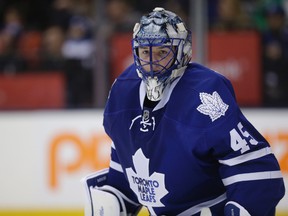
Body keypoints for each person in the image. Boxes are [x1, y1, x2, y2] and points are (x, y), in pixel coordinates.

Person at [82, 7, 285, 216]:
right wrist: (117, 199)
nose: (152, 62)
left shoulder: (204, 92)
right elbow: (125, 153)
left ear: (183, 52)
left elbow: (256, 171)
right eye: (145, 52)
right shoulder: (123, 88)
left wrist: (243, 209)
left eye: (162, 52)